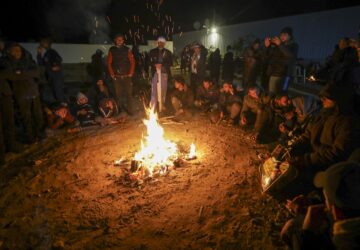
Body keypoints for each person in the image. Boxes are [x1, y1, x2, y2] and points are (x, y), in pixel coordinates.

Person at [282, 152, 360, 250]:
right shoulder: (349, 220)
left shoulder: (343, 243)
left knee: (292, 228)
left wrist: (307, 232)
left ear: (336, 213)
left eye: (326, 198)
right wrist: (311, 202)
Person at [5, 43, 44, 144]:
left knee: (38, 115)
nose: (17, 52)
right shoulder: (7, 62)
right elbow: (10, 76)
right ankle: (30, 138)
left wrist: (21, 73)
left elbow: (36, 73)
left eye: (19, 50)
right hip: (20, 94)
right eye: (14, 50)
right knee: (26, 117)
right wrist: (26, 74)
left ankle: (40, 135)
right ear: (10, 51)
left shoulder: (28, 61)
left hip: (33, 92)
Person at [107, 33, 135, 115]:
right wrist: (112, 73)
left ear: (123, 41)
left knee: (129, 94)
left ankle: (130, 110)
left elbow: (132, 61)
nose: (119, 41)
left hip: (127, 76)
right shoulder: (112, 49)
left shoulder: (127, 49)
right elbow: (109, 62)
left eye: (121, 39)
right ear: (115, 40)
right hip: (116, 76)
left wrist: (131, 72)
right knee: (118, 94)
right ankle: (119, 110)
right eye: (118, 39)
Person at [266, 27, 299, 95]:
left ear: (290, 36)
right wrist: (267, 47)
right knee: (271, 94)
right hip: (274, 73)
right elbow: (268, 56)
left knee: (282, 94)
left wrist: (280, 44)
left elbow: (290, 55)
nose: (282, 36)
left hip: (285, 75)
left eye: (285, 35)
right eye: (281, 35)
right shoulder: (276, 45)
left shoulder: (294, 45)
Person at [37, 37, 65, 103]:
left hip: (56, 76)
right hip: (51, 77)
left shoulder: (52, 52)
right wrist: (39, 54)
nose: (41, 44)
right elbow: (41, 63)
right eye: (41, 43)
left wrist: (56, 66)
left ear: (47, 44)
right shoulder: (46, 53)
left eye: (43, 43)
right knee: (55, 93)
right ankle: (59, 106)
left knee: (58, 93)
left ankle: (63, 106)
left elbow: (59, 59)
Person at [149, 36, 173, 113]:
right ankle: (153, 105)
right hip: (155, 73)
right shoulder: (152, 51)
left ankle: (162, 105)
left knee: (163, 90)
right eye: (160, 42)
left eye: (163, 43)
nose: (161, 44)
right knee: (154, 90)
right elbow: (148, 62)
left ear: (164, 43)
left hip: (164, 73)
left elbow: (170, 63)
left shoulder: (168, 52)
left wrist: (162, 65)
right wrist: (155, 64)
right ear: (157, 43)